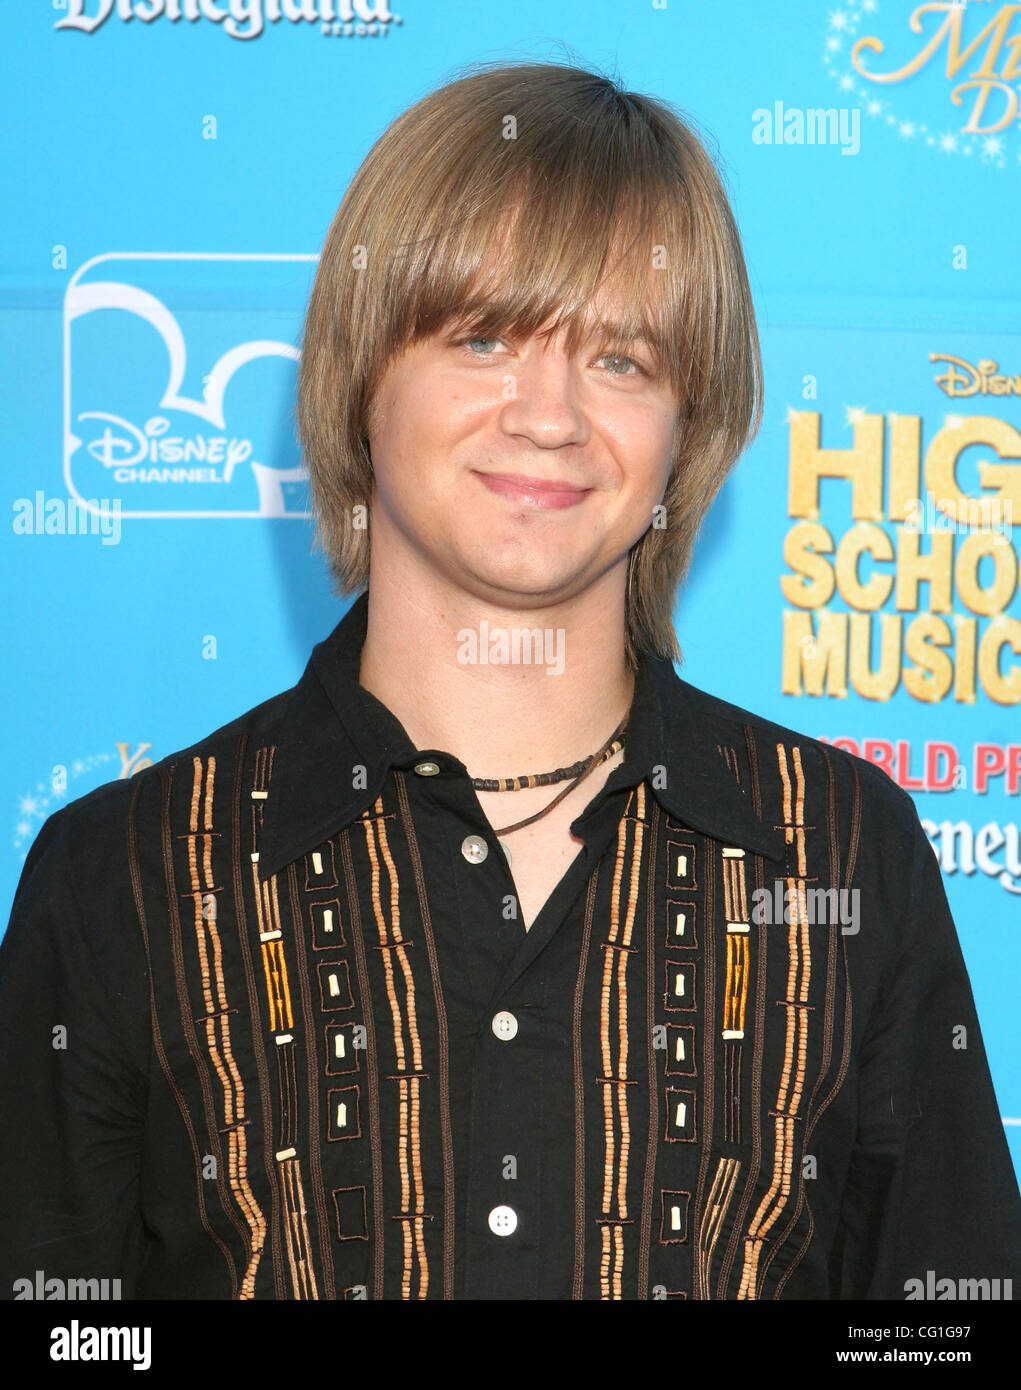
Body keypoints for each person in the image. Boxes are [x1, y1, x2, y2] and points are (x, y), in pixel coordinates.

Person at [2, 60, 1019, 1303]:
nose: (549, 415)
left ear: (683, 437)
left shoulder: (839, 855)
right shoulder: (131, 872)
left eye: (623, 361)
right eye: (482, 336)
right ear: (361, 382)